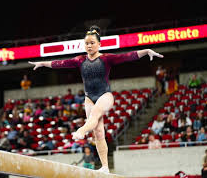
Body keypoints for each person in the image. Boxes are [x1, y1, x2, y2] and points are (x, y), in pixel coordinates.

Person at [29, 25, 163, 173]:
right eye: (87, 43)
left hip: (105, 95)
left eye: (92, 42)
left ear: (99, 44)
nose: (89, 45)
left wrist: (146, 51)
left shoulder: (106, 58)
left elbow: (127, 56)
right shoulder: (80, 60)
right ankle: (105, 167)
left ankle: (81, 130)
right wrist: (42, 63)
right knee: (98, 132)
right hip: (89, 98)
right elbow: (60, 63)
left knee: (93, 116)